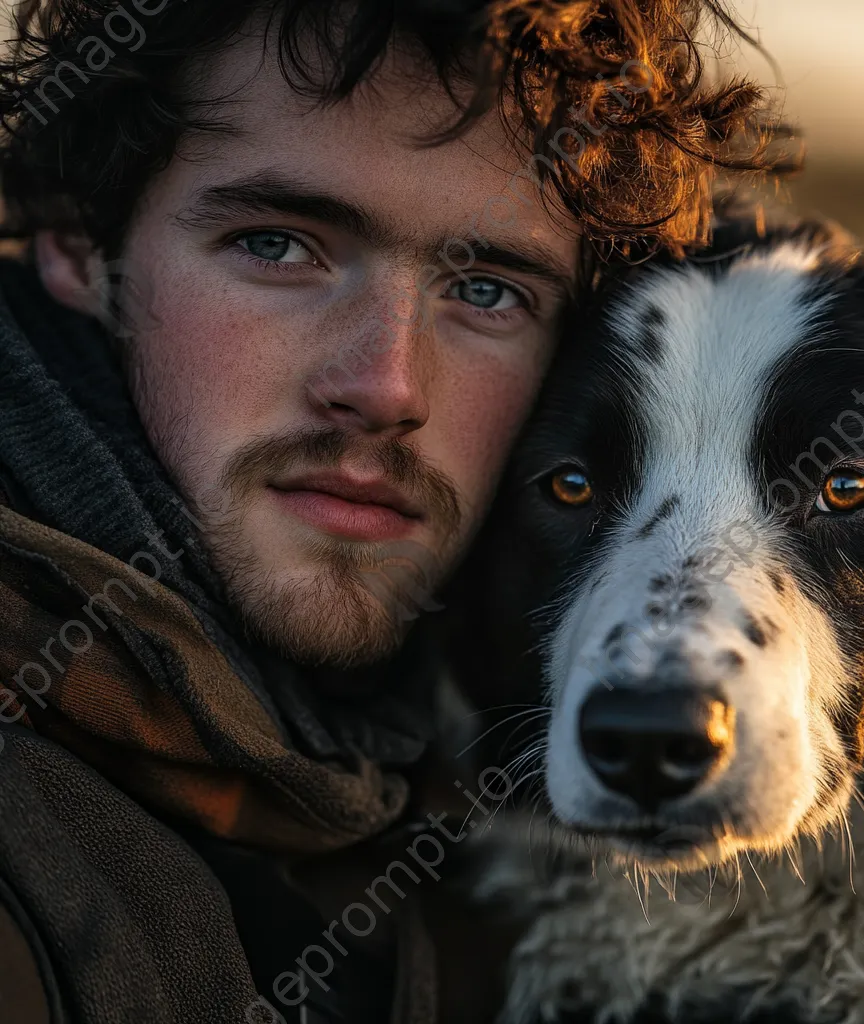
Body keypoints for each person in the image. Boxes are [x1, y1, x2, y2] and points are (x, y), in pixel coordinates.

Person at [0, 0, 793, 1020]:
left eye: (488, 290)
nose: (386, 386)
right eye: (278, 246)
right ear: (78, 248)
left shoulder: (506, 803)